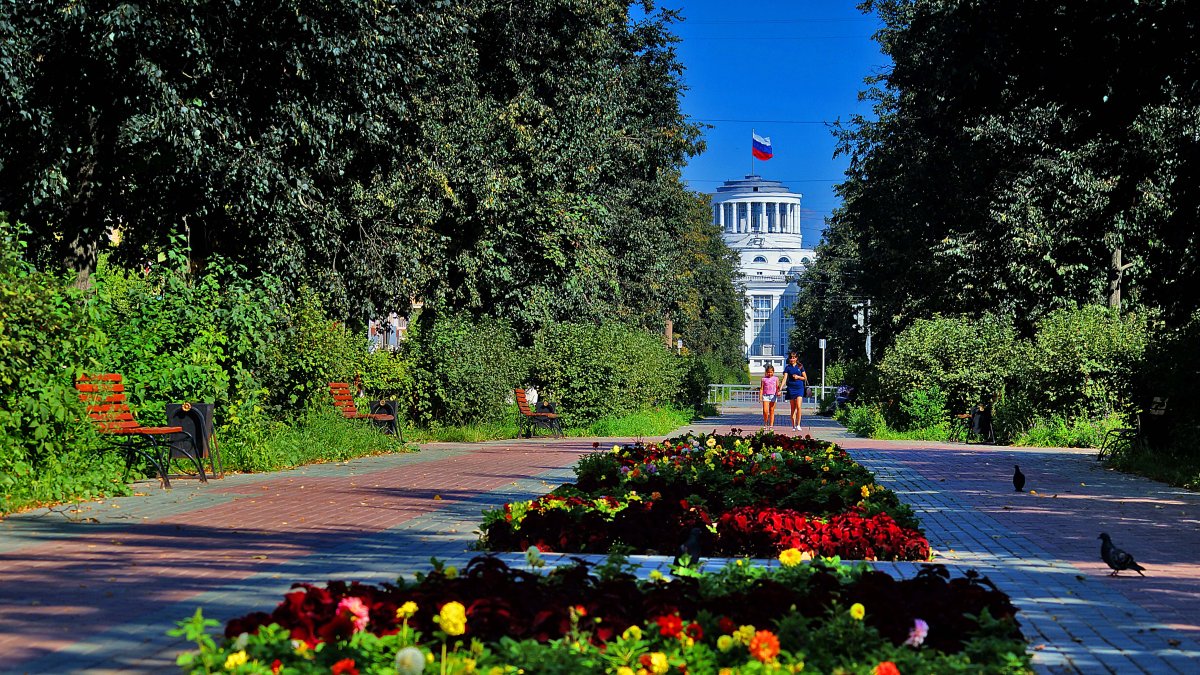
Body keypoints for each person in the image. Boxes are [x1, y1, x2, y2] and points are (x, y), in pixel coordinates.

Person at [781, 352, 808, 432]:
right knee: (793, 408)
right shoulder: (787, 368)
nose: (792, 359)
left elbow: (805, 378)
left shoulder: (800, 366)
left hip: (799, 388)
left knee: (799, 406)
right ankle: (793, 425)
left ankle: (798, 424)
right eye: (791, 358)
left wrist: (798, 377)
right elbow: (785, 378)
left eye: (793, 358)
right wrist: (780, 388)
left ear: (796, 358)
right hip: (791, 388)